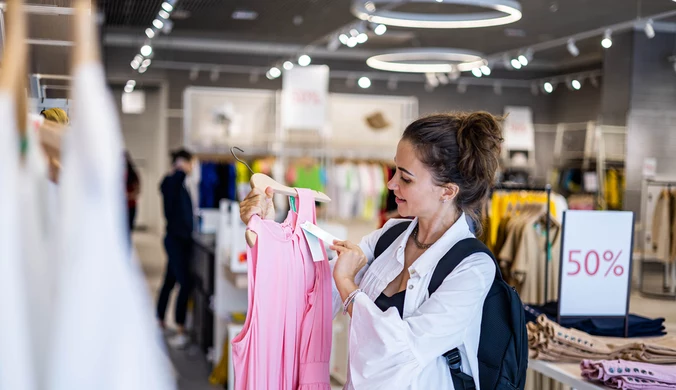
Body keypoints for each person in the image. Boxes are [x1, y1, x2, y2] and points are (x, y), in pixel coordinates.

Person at [239, 112, 504, 389]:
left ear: (447, 191)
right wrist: (269, 229)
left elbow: (401, 352)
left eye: (406, 179)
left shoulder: (472, 267)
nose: (391, 185)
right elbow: (309, 294)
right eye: (394, 172)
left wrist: (348, 287)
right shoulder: (390, 235)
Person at [157, 148, 195, 349]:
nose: (191, 168)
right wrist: (180, 167)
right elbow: (172, 180)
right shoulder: (171, 182)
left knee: (169, 281)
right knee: (184, 283)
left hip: (180, 239)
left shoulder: (179, 185)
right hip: (175, 240)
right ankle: (180, 327)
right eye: (189, 164)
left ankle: (159, 319)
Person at [124, 150, 141, 238]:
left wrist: (127, 196)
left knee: (128, 229)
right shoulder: (114, 174)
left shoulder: (133, 174)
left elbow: (137, 191)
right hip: (118, 208)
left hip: (130, 206)